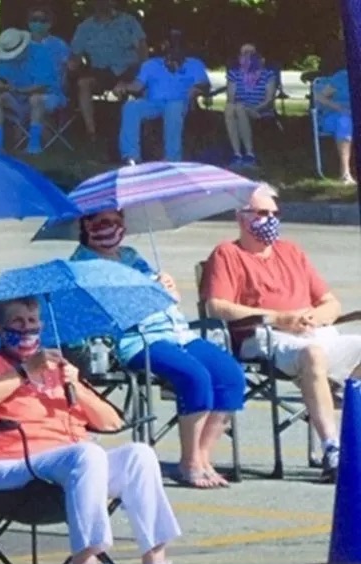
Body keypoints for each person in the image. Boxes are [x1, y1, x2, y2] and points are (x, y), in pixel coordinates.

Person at [0, 296, 193, 564]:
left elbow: (112, 422)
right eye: (17, 322)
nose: (26, 329)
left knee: (138, 455)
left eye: (33, 321)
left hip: (65, 467)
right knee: (87, 454)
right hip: (8, 465)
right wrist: (23, 372)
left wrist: (75, 385)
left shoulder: (57, 368)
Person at [71, 210, 245, 488]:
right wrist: (149, 292)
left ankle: (203, 457)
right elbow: (106, 313)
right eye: (103, 222)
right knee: (195, 376)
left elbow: (164, 297)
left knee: (230, 374)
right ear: (86, 224)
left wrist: (168, 288)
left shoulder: (130, 256)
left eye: (117, 222)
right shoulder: (83, 265)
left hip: (176, 331)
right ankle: (190, 462)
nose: (111, 228)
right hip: (137, 339)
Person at [202, 184, 361, 482]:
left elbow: (331, 303)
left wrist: (316, 315)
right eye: (263, 213)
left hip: (312, 330)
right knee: (312, 355)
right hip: (262, 335)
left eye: (275, 214)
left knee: (330, 350)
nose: (271, 220)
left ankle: (345, 413)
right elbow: (216, 306)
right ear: (241, 217)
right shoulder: (227, 254)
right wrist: (278, 318)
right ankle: (333, 448)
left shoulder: (291, 251)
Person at [114, 33, 209, 164]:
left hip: (180, 102)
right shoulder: (151, 64)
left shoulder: (194, 64)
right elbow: (137, 86)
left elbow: (205, 85)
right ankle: (131, 156)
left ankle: (172, 158)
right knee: (131, 107)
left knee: (173, 107)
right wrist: (123, 85)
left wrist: (196, 89)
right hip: (154, 103)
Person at [0, 9, 69, 155]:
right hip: (17, 97)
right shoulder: (5, 59)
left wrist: (15, 89)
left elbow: (43, 87)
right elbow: (1, 79)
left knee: (36, 99)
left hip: (48, 96)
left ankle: (34, 144)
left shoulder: (42, 54)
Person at [68, 0, 147, 141]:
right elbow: (75, 56)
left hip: (129, 69)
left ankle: (145, 130)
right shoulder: (85, 27)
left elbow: (142, 50)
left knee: (147, 82)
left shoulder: (129, 22)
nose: (102, 4)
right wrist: (70, 65)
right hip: (101, 72)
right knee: (83, 84)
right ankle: (91, 132)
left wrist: (143, 71)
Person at [222, 43, 277, 168]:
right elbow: (231, 98)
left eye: (251, 54)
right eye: (244, 54)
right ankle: (237, 154)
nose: (247, 57)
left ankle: (249, 154)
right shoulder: (234, 74)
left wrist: (254, 109)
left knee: (239, 108)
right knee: (231, 108)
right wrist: (243, 107)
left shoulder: (268, 75)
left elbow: (269, 100)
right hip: (240, 107)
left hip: (261, 109)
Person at [315, 66, 355, 185]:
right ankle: (345, 173)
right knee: (345, 122)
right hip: (335, 116)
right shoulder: (343, 77)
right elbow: (319, 97)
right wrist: (338, 107)